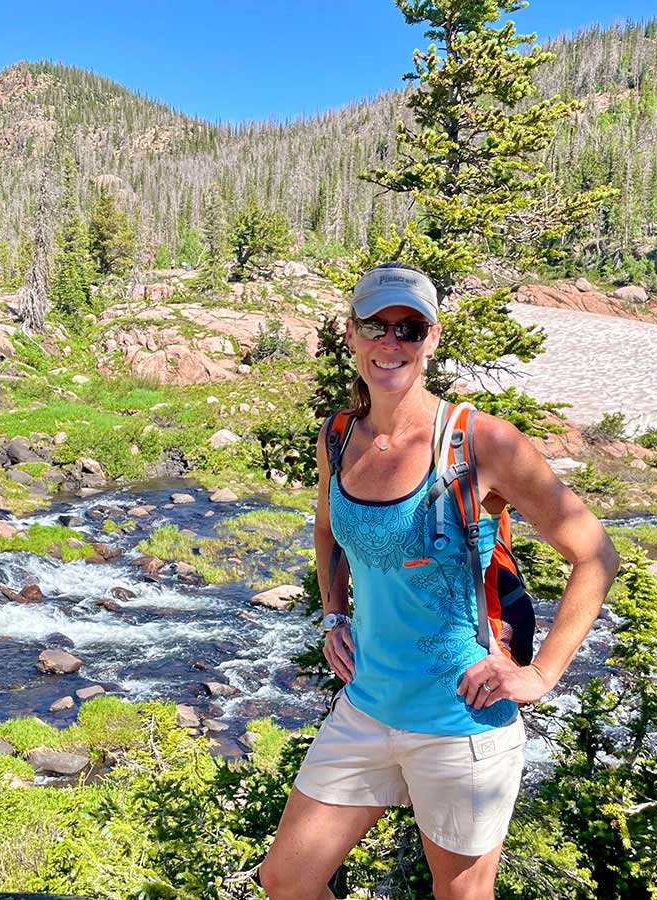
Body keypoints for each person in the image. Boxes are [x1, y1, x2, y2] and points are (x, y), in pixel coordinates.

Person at [257, 262, 619, 900]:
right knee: (286, 881)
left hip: (462, 724)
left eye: (409, 328)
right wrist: (334, 615)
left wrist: (541, 675)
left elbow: (594, 555)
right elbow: (327, 529)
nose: (390, 343)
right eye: (375, 325)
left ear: (432, 338)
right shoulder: (340, 437)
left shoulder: (481, 442)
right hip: (367, 707)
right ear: (351, 334)